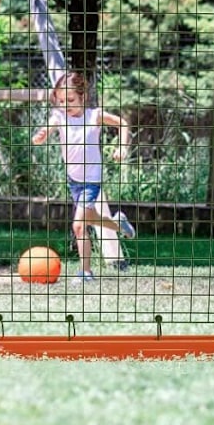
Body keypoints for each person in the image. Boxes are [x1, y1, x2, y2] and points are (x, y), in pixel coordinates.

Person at [32, 71, 136, 283]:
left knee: (79, 225)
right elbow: (48, 128)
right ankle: (118, 224)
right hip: (74, 180)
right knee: (90, 219)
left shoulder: (94, 116)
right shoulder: (59, 117)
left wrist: (122, 147)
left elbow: (123, 124)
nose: (65, 105)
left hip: (92, 179)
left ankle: (85, 272)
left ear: (82, 97)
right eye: (61, 101)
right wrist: (41, 135)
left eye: (70, 100)